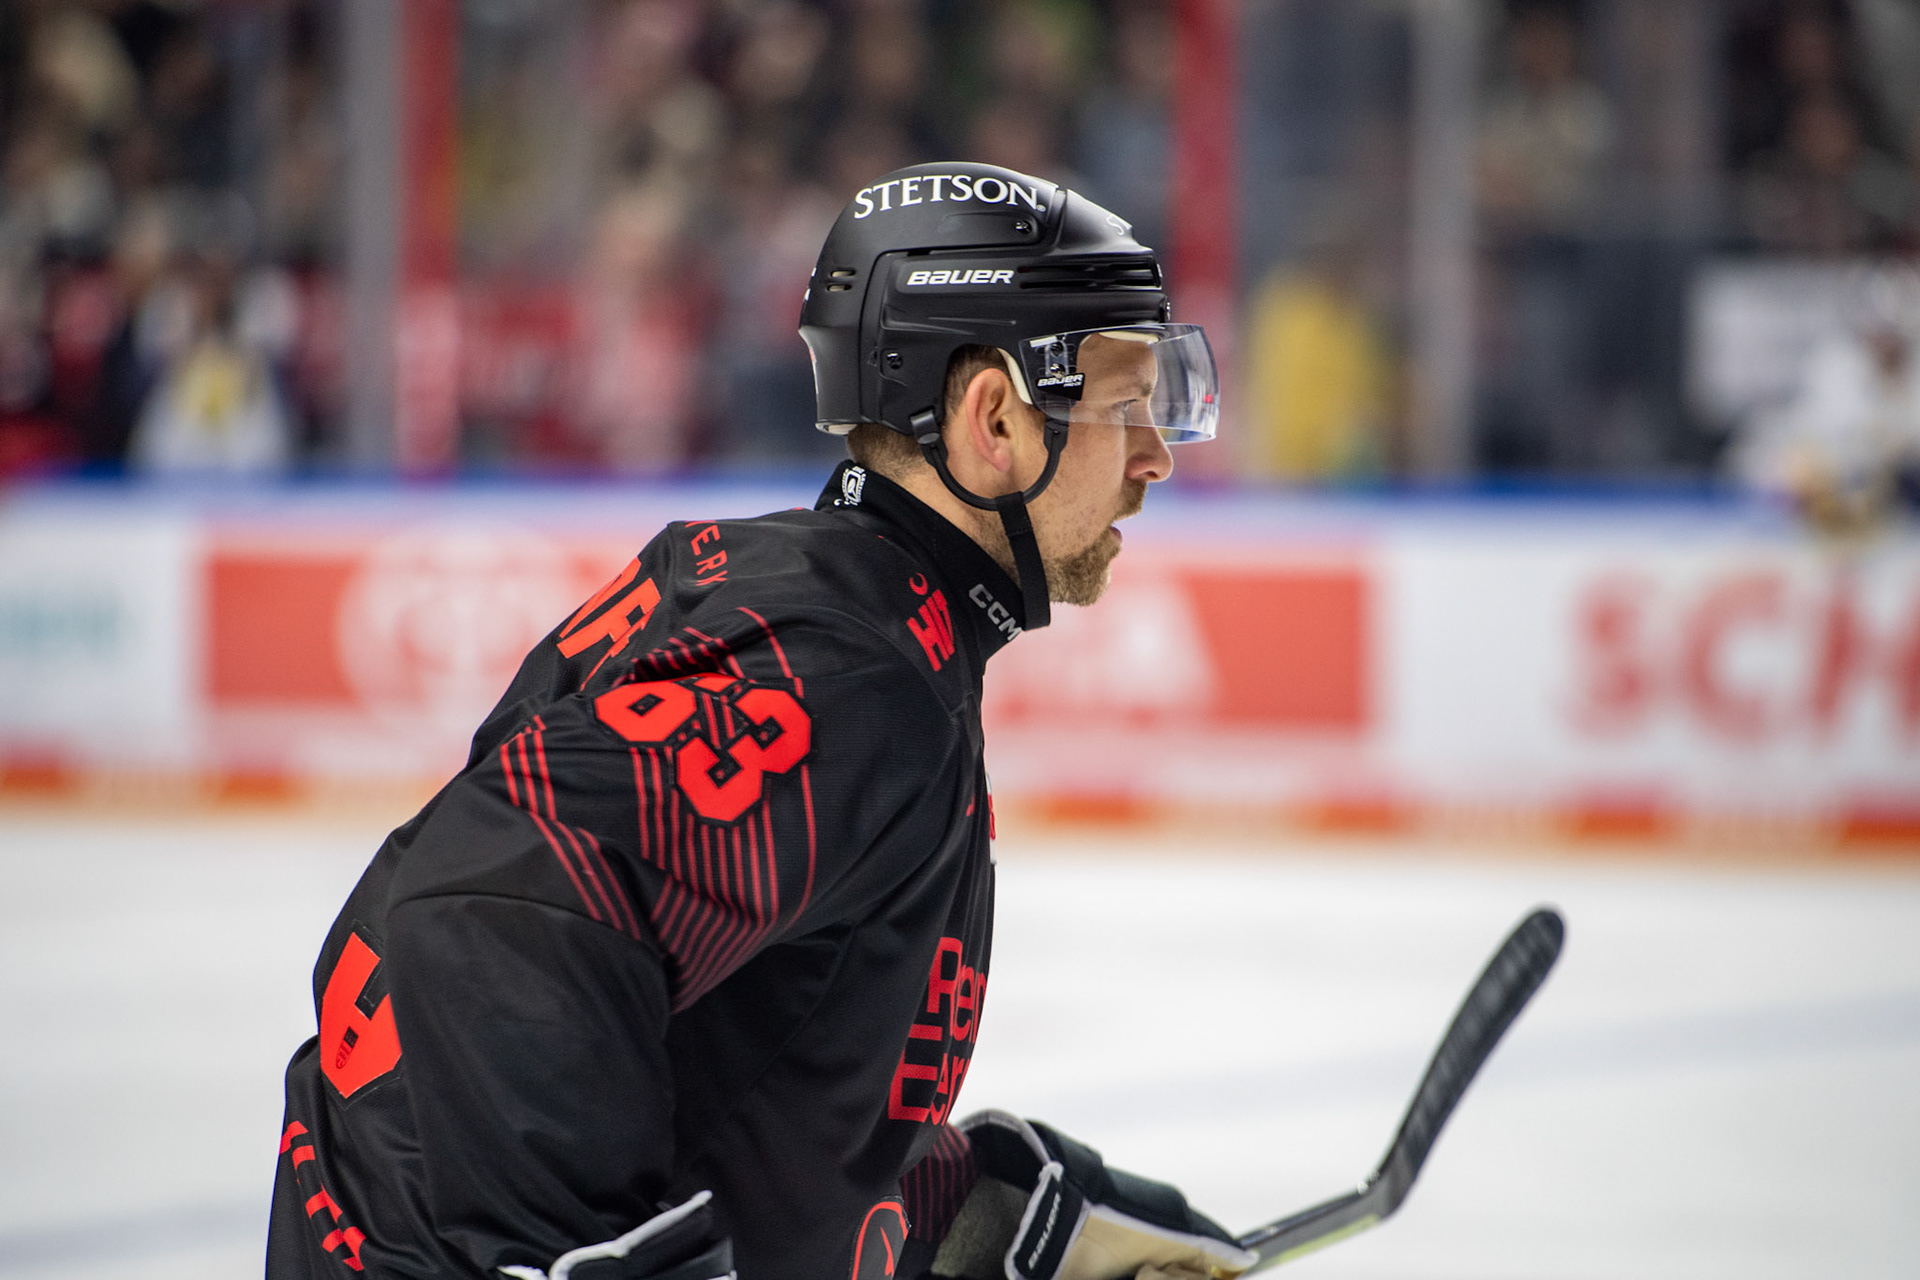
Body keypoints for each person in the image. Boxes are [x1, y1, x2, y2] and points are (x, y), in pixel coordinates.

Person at [267, 162, 1249, 1280]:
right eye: (1125, 407)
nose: (1155, 455)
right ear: (994, 420)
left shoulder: (814, 603)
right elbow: (487, 899)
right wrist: (540, 1252)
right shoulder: (852, 670)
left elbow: (750, 1081)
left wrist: (981, 1218)